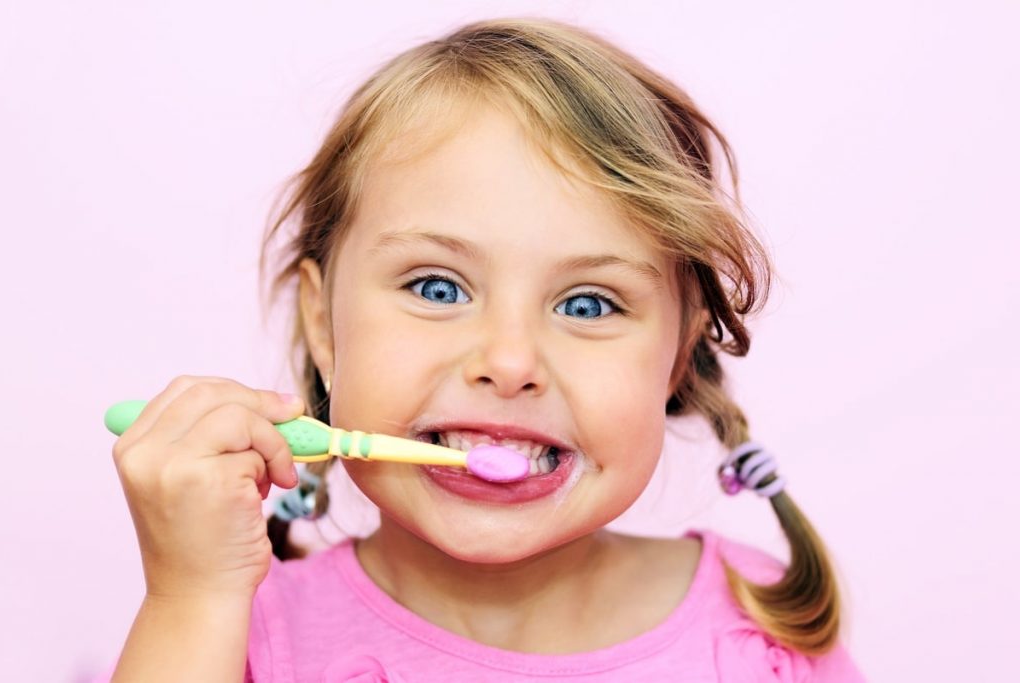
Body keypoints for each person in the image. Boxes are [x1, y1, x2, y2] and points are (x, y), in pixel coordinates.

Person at [100, 17, 865, 682]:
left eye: (588, 304)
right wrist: (189, 599)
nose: (509, 361)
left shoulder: (764, 634)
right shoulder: (227, 635)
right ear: (325, 325)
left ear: (677, 353)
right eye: (438, 288)